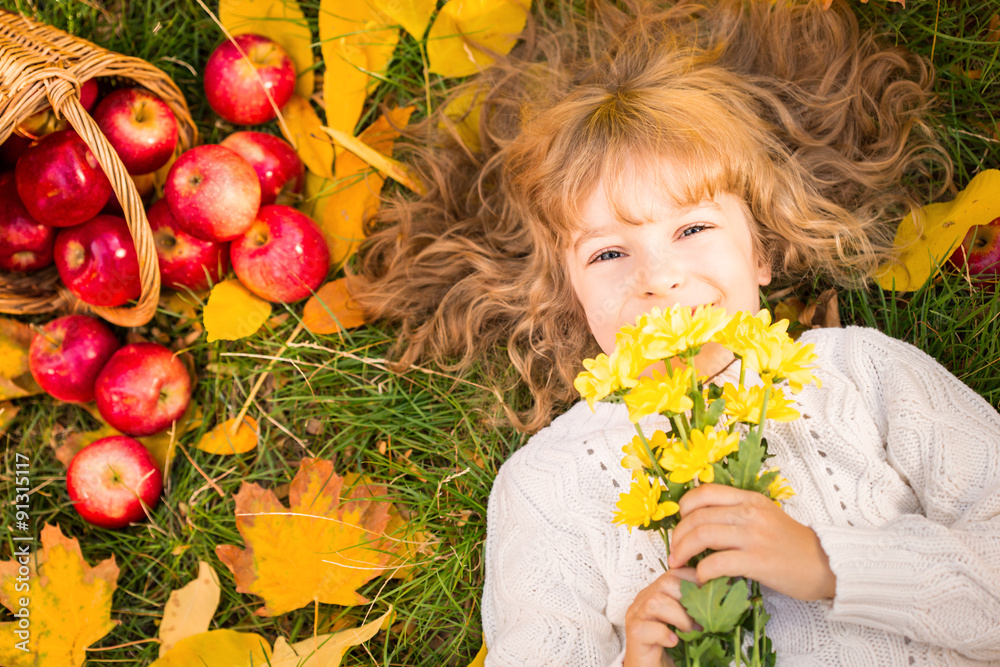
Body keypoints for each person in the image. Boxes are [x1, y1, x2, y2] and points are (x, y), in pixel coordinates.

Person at [355, 0, 1000, 664]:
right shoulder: (546, 487)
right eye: (609, 253)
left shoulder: (863, 376)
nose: (658, 278)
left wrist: (829, 564)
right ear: (571, 298)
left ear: (762, 252)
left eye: (692, 229)